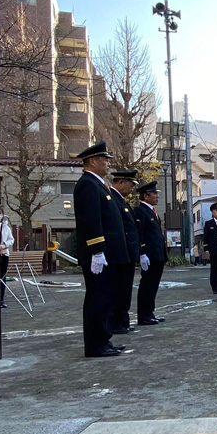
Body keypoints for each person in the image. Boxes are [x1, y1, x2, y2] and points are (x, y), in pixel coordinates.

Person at [73, 142, 128, 357]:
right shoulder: (88, 184)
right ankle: (96, 344)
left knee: (105, 299)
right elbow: (90, 220)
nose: (107, 164)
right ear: (93, 161)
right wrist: (96, 250)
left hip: (108, 255)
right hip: (99, 255)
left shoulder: (99, 184)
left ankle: (104, 340)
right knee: (97, 299)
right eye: (104, 160)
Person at [110, 169, 142, 333]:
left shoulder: (121, 200)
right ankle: (117, 323)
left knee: (125, 289)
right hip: (119, 253)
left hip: (127, 253)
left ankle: (122, 322)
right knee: (119, 290)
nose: (132, 188)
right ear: (121, 182)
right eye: (130, 184)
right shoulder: (112, 198)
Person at [134, 181, 168, 325]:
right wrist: (142, 253)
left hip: (157, 254)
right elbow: (139, 234)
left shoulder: (152, 211)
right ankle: (144, 315)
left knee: (153, 285)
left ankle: (150, 312)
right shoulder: (140, 211)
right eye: (154, 194)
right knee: (147, 285)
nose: (156, 196)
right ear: (145, 195)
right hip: (149, 255)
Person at [0, 208, 14, 309]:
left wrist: (5, 244)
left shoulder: (6, 226)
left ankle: (1, 299)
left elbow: (11, 239)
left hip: (4, 254)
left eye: (0, 213)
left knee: (2, 277)